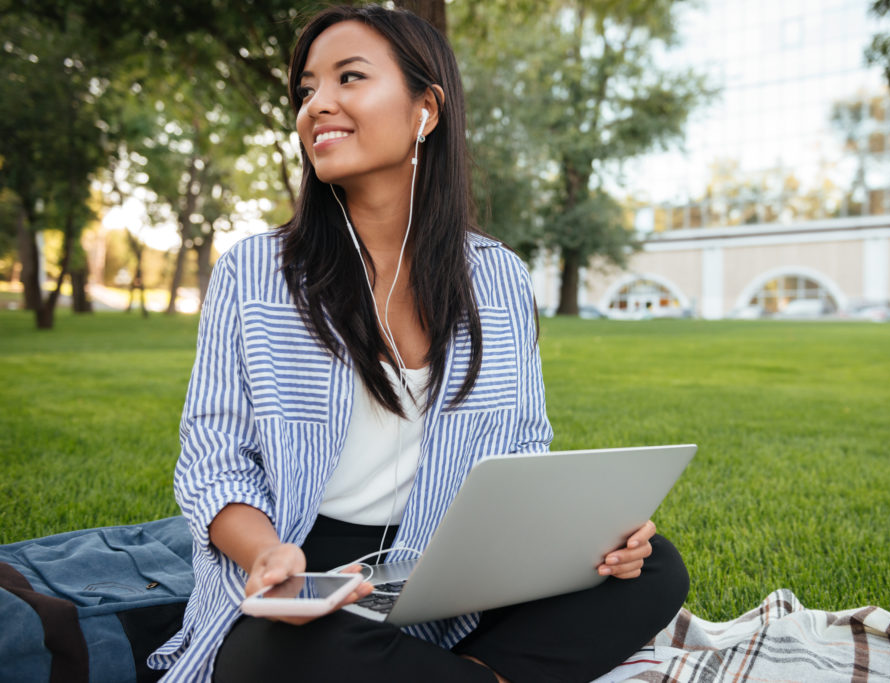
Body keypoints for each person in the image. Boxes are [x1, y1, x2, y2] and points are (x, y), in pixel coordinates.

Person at [149, 5, 689, 682]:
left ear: (426, 110)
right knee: (271, 656)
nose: (318, 104)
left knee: (655, 565)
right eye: (306, 90)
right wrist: (266, 555)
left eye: (349, 77)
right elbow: (212, 462)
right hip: (307, 560)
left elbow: (522, 448)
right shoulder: (253, 272)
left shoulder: (498, 276)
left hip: (450, 564)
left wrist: (595, 535)